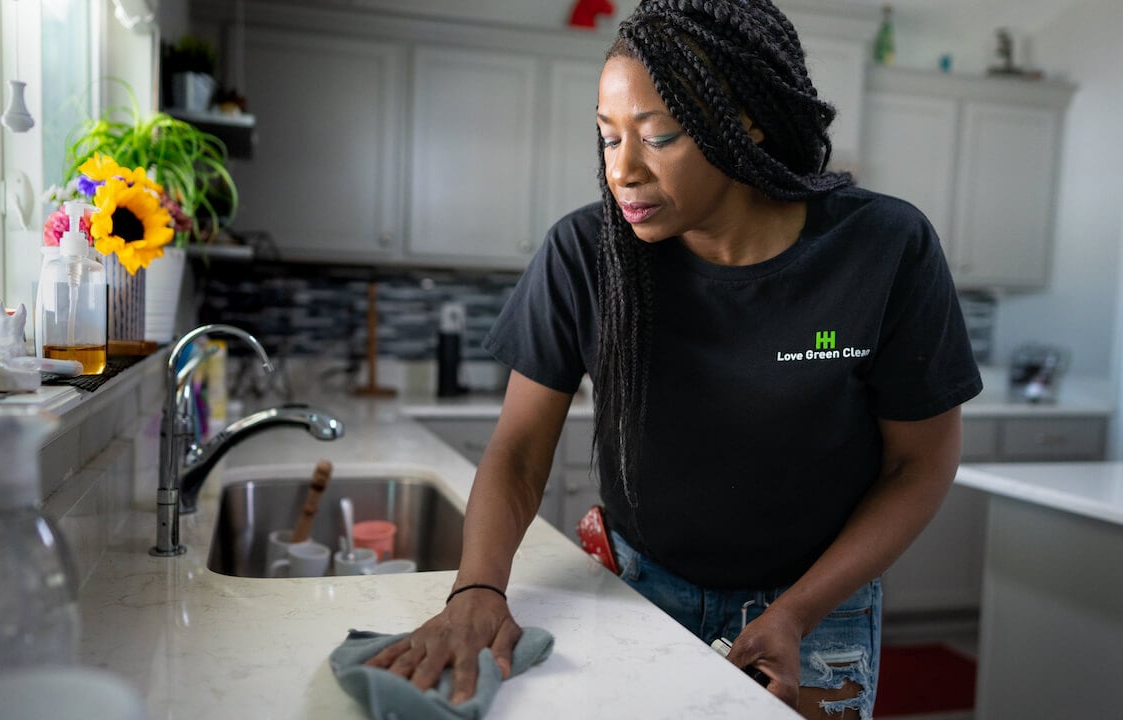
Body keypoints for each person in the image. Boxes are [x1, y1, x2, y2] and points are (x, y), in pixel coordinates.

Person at [366, 1, 982, 718]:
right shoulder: (585, 254)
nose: (622, 169)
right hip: (632, 589)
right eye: (606, 137)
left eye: (658, 136)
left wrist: (798, 612)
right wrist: (478, 589)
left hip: (818, 605)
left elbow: (920, 464)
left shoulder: (885, 247)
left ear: (746, 120)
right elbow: (521, 449)